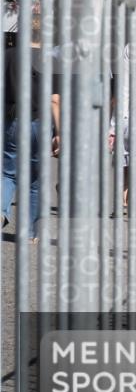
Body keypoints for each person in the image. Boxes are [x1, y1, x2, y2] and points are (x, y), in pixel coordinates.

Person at [2, 22, 61, 242]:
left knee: (7, 172)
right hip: (40, 122)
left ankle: (1, 209)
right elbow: (54, 100)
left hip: (12, 120)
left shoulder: (7, 55)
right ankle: (30, 233)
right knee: (34, 180)